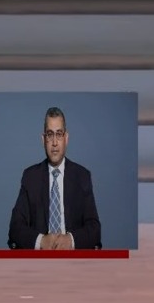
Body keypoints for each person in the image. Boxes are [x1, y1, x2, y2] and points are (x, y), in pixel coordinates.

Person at [7, 106, 102, 250]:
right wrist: (41, 241)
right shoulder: (30, 177)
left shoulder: (82, 176)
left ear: (66, 138)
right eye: (50, 134)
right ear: (43, 139)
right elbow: (15, 227)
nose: (55, 142)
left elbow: (94, 229)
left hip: (73, 259)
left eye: (59, 134)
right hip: (40, 259)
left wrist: (71, 240)